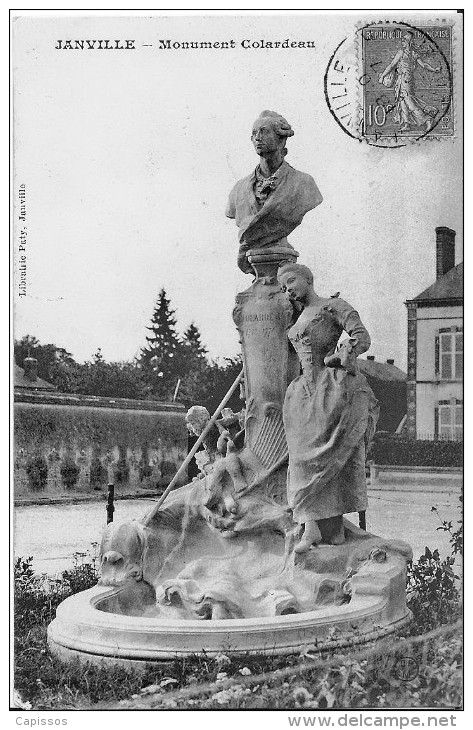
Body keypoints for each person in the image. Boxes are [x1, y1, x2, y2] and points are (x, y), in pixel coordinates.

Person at [277, 263, 379, 553]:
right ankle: (326, 529)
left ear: (308, 278)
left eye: (291, 281)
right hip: (301, 393)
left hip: (330, 388)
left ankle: (317, 528)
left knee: (323, 455)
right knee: (301, 457)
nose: (289, 289)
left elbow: (362, 337)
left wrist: (338, 357)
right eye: (284, 287)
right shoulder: (295, 317)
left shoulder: (332, 307)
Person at [226, 111, 322, 273]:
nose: (258, 137)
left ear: (281, 139)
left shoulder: (303, 183)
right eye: (254, 133)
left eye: (264, 131)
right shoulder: (239, 189)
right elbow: (231, 212)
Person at [378, 31, 441, 132]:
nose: (402, 42)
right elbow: (424, 65)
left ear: (409, 42)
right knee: (402, 102)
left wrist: (382, 76)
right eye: (402, 40)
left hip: (405, 81)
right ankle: (407, 124)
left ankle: (427, 119)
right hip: (403, 80)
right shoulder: (413, 53)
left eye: (404, 40)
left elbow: (391, 65)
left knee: (410, 102)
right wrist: (434, 69)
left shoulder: (402, 53)